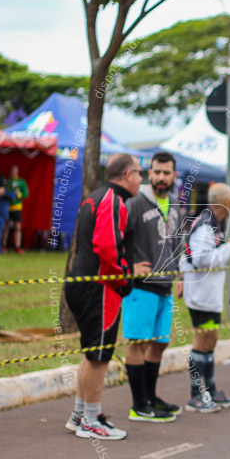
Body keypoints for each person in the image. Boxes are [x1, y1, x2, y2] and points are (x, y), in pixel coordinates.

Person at [64, 154, 148, 440]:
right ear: (126, 174)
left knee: (92, 352)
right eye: (139, 173)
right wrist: (124, 278)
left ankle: (80, 414)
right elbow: (107, 247)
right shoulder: (113, 199)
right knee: (99, 355)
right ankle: (91, 419)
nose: (141, 179)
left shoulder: (95, 196)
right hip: (98, 285)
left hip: (81, 279)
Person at [121, 152, 182, 423]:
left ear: (174, 176)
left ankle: (150, 397)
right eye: (156, 172)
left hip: (165, 286)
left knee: (159, 343)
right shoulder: (135, 203)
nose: (160, 177)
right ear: (149, 173)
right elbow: (117, 237)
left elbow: (177, 245)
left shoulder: (177, 206)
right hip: (140, 287)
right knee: (137, 342)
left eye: (166, 173)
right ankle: (138, 405)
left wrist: (178, 274)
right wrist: (128, 267)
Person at [180, 183, 230, 412]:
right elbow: (201, 260)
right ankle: (196, 394)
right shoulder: (205, 226)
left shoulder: (211, 223)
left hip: (208, 294)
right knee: (203, 340)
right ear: (227, 204)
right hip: (201, 295)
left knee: (211, 340)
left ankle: (210, 390)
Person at [5, 165, 28, 253]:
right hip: (7, 207)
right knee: (6, 227)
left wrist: (18, 195)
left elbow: (26, 194)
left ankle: (17, 246)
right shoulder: (7, 181)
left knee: (17, 227)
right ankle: (3, 246)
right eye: (12, 169)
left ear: (18, 171)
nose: (13, 171)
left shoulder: (21, 182)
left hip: (17, 208)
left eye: (15, 170)